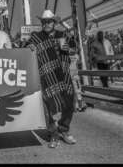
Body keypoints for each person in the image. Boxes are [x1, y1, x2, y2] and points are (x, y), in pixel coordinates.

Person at [26, 10, 76, 149]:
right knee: (47, 106)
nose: (46, 24)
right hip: (46, 75)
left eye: (49, 21)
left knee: (69, 102)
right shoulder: (36, 37)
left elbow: (74, 48)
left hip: (63, 74)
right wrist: (28, 47)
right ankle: (53, 134)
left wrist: (69, 49)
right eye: (44, 22)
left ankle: (64, 129)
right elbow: (24, 48)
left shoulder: (63, 35)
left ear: (54, 22)